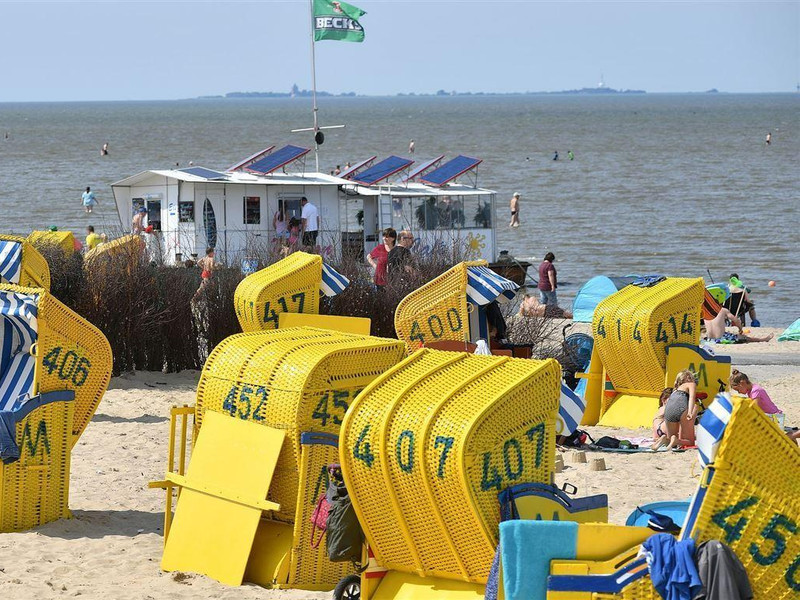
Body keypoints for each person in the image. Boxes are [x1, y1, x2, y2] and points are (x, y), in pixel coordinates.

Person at [663, 370, 698, 450]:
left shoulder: (675, 390)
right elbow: (692, 398)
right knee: (690, 442)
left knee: (672, 439)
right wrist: (689, 412)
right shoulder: (691, 384)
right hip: (680, 407)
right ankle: (676, 441)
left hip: (669, 409)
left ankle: (665, 439)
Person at [703, 306, 773, 343]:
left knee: (728, 333)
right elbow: (736, 320)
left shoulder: (704, 311)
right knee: (745, 338)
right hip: (720, 339)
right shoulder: (723, 310)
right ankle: (763, 340)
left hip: (709, 339)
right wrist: (740, 329)